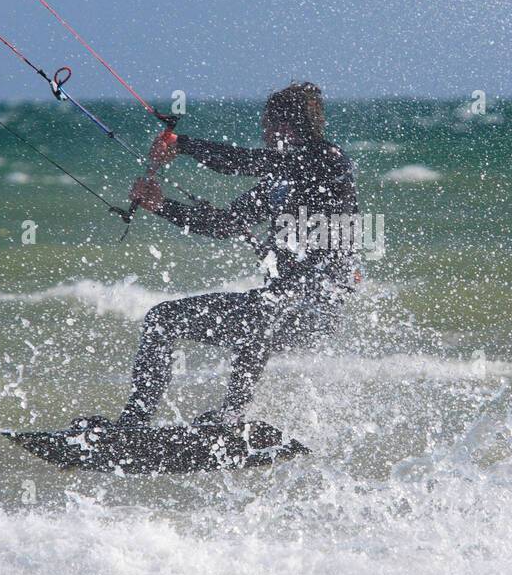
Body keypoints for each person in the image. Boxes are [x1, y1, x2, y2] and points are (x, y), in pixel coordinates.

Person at [116, 82, 359, 428]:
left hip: (314, 311)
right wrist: (160, 205)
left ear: (284, 129)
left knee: (266, 307)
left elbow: (242, 161)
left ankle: (230, 416)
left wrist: (182, 145)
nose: (263, 136)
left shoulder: (327, 161)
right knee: (163, 319)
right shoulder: (280, 178)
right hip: (281, 305)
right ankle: (134, 423)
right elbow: (224, 225)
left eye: (266, 128)